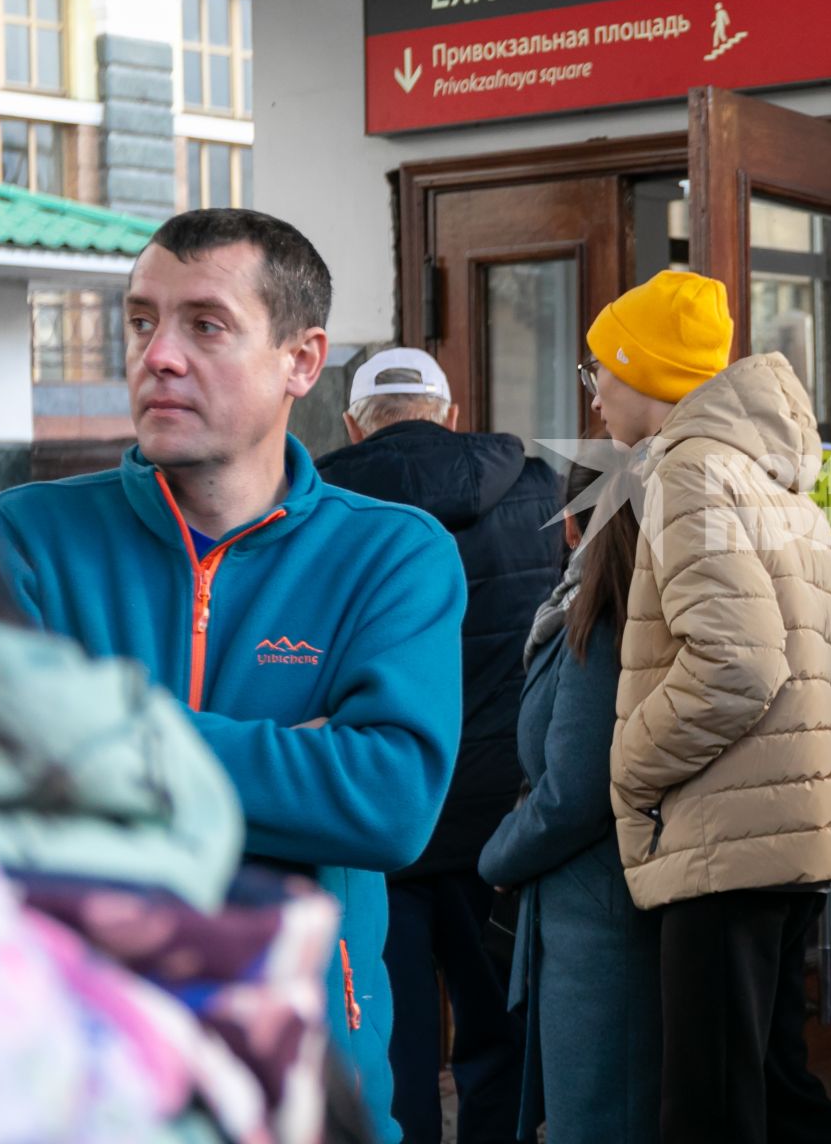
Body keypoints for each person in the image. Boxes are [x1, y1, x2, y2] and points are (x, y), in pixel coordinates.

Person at [0, 207, 466, 1144]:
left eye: (206, 324)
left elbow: (390, 804)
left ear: (302, 361)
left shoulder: (392, 555)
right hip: (76, 1091)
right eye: (141, 319)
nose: (158, 354)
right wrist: (302, 766)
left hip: (310, 1087)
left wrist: (92, 733)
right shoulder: (23, 538)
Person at [590, 269, 831, 1144]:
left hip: (724, 836)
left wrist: (631, 762)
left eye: (603, 368)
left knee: (713, 1110)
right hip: (784, 830)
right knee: (775, 1093)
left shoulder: (689, 468)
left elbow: (742, 666)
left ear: (647, 374)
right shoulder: (774, 472)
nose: (594, 393)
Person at [315, 347, 560, 1144]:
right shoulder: (537, 493)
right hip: (504, 819)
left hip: (378, 817)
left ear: (355, 423)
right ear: (451, 414)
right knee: (498, 1039)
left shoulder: (318, 504)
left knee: (391, 1048)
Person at [478, 463, 660, 1144]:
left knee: (599, 1120)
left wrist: (499, 853)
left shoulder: (606, 618)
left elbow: (577, 789)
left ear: (579, 524)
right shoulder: (601, 605)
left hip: (600, 923)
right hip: (593, 912)